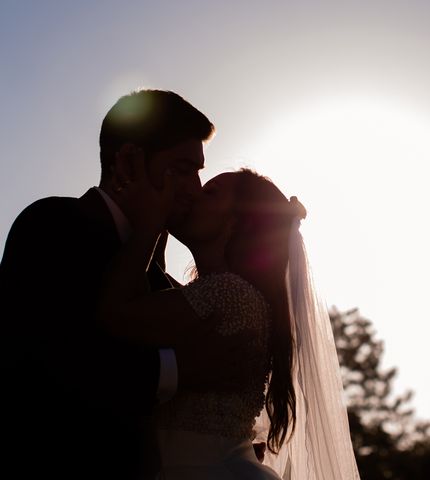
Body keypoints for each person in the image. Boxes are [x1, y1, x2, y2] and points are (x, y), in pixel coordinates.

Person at [0, 89, 249, 479]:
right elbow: (37, 362)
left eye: (199, 172)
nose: (195, 189)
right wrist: (177, 370)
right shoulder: (52, 223)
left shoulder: (163, 280)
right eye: (183, 169)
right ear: (128, 162)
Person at [96, 160, 361, 479]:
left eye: (211, 192)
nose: (193, 194)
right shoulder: (223, 293)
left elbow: (114, 315)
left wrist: (149, 224)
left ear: (237, 223)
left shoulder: (230, 294)